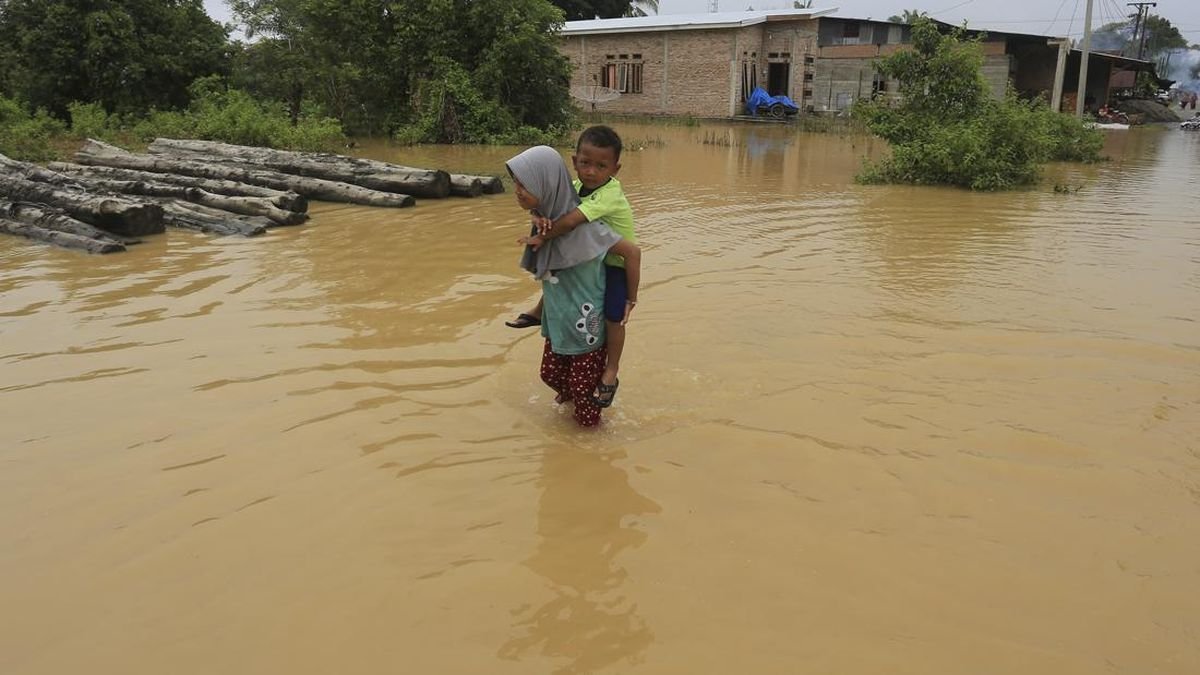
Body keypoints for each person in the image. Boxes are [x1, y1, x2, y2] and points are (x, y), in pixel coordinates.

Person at [505, 145, 641, 427]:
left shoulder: (590, 229)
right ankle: (572, 422)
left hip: (586, 331)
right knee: (550, 376)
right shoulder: (546, 224)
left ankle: (592, 450)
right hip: (560, 324)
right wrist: (537, 220)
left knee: (585, 403)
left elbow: (631, 252)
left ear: (546, 184)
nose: (517, 190)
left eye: (524, 184)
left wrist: (631, 297)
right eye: (515, 183)